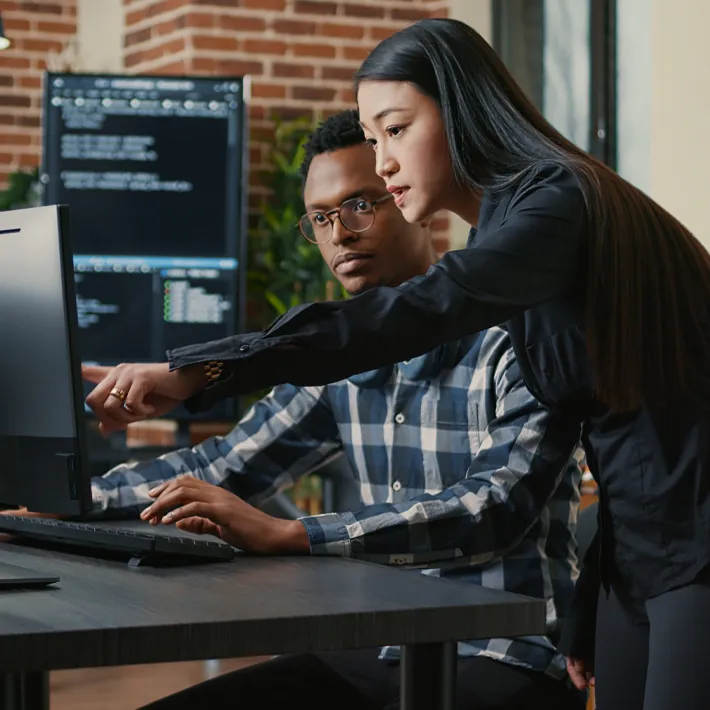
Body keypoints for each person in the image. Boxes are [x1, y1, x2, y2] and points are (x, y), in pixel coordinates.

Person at [80, 19, 710, 710]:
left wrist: (206, 369)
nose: (382, 162)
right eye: (374, 139)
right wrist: (597, 583)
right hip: (634, 558)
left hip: (692, 549)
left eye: (396, 129)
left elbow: (426, 310)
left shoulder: (556, 202)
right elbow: (629, 429)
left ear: (462, 109)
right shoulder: (516, 231)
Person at [82, 110, 585, 710]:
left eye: (359, 206)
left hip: (507, 654)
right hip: (384, 646)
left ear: (407, 199)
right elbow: (226, 464)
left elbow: (494, 507)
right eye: (320, 218)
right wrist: (67, 503)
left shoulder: (517, 336)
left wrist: (292, 533)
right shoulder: (335, 357)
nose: (338, 234)